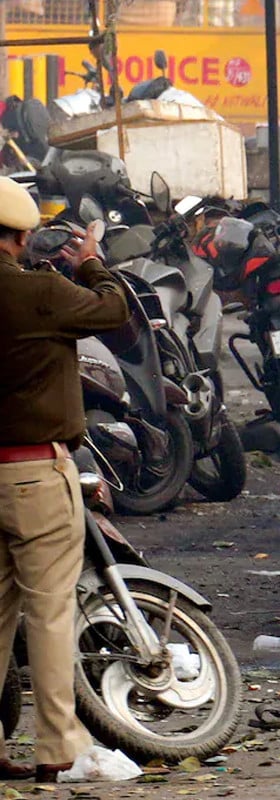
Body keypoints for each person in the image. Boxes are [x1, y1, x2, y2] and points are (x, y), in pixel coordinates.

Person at [0, 177, 129, 781]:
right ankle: (58, 747)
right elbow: (115, 310)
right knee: (50, 614)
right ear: (22, 237)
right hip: (34, 474)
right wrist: (91, 260)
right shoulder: (41, 291)